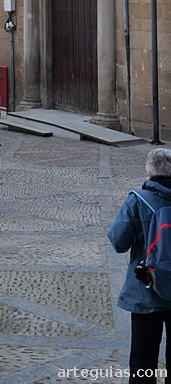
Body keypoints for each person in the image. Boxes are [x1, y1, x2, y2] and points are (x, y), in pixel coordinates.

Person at [108, 148, 171, 381]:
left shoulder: (138, 200)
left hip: (146, 289)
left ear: (149, 172)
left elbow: (118, 242)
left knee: (143, 358)